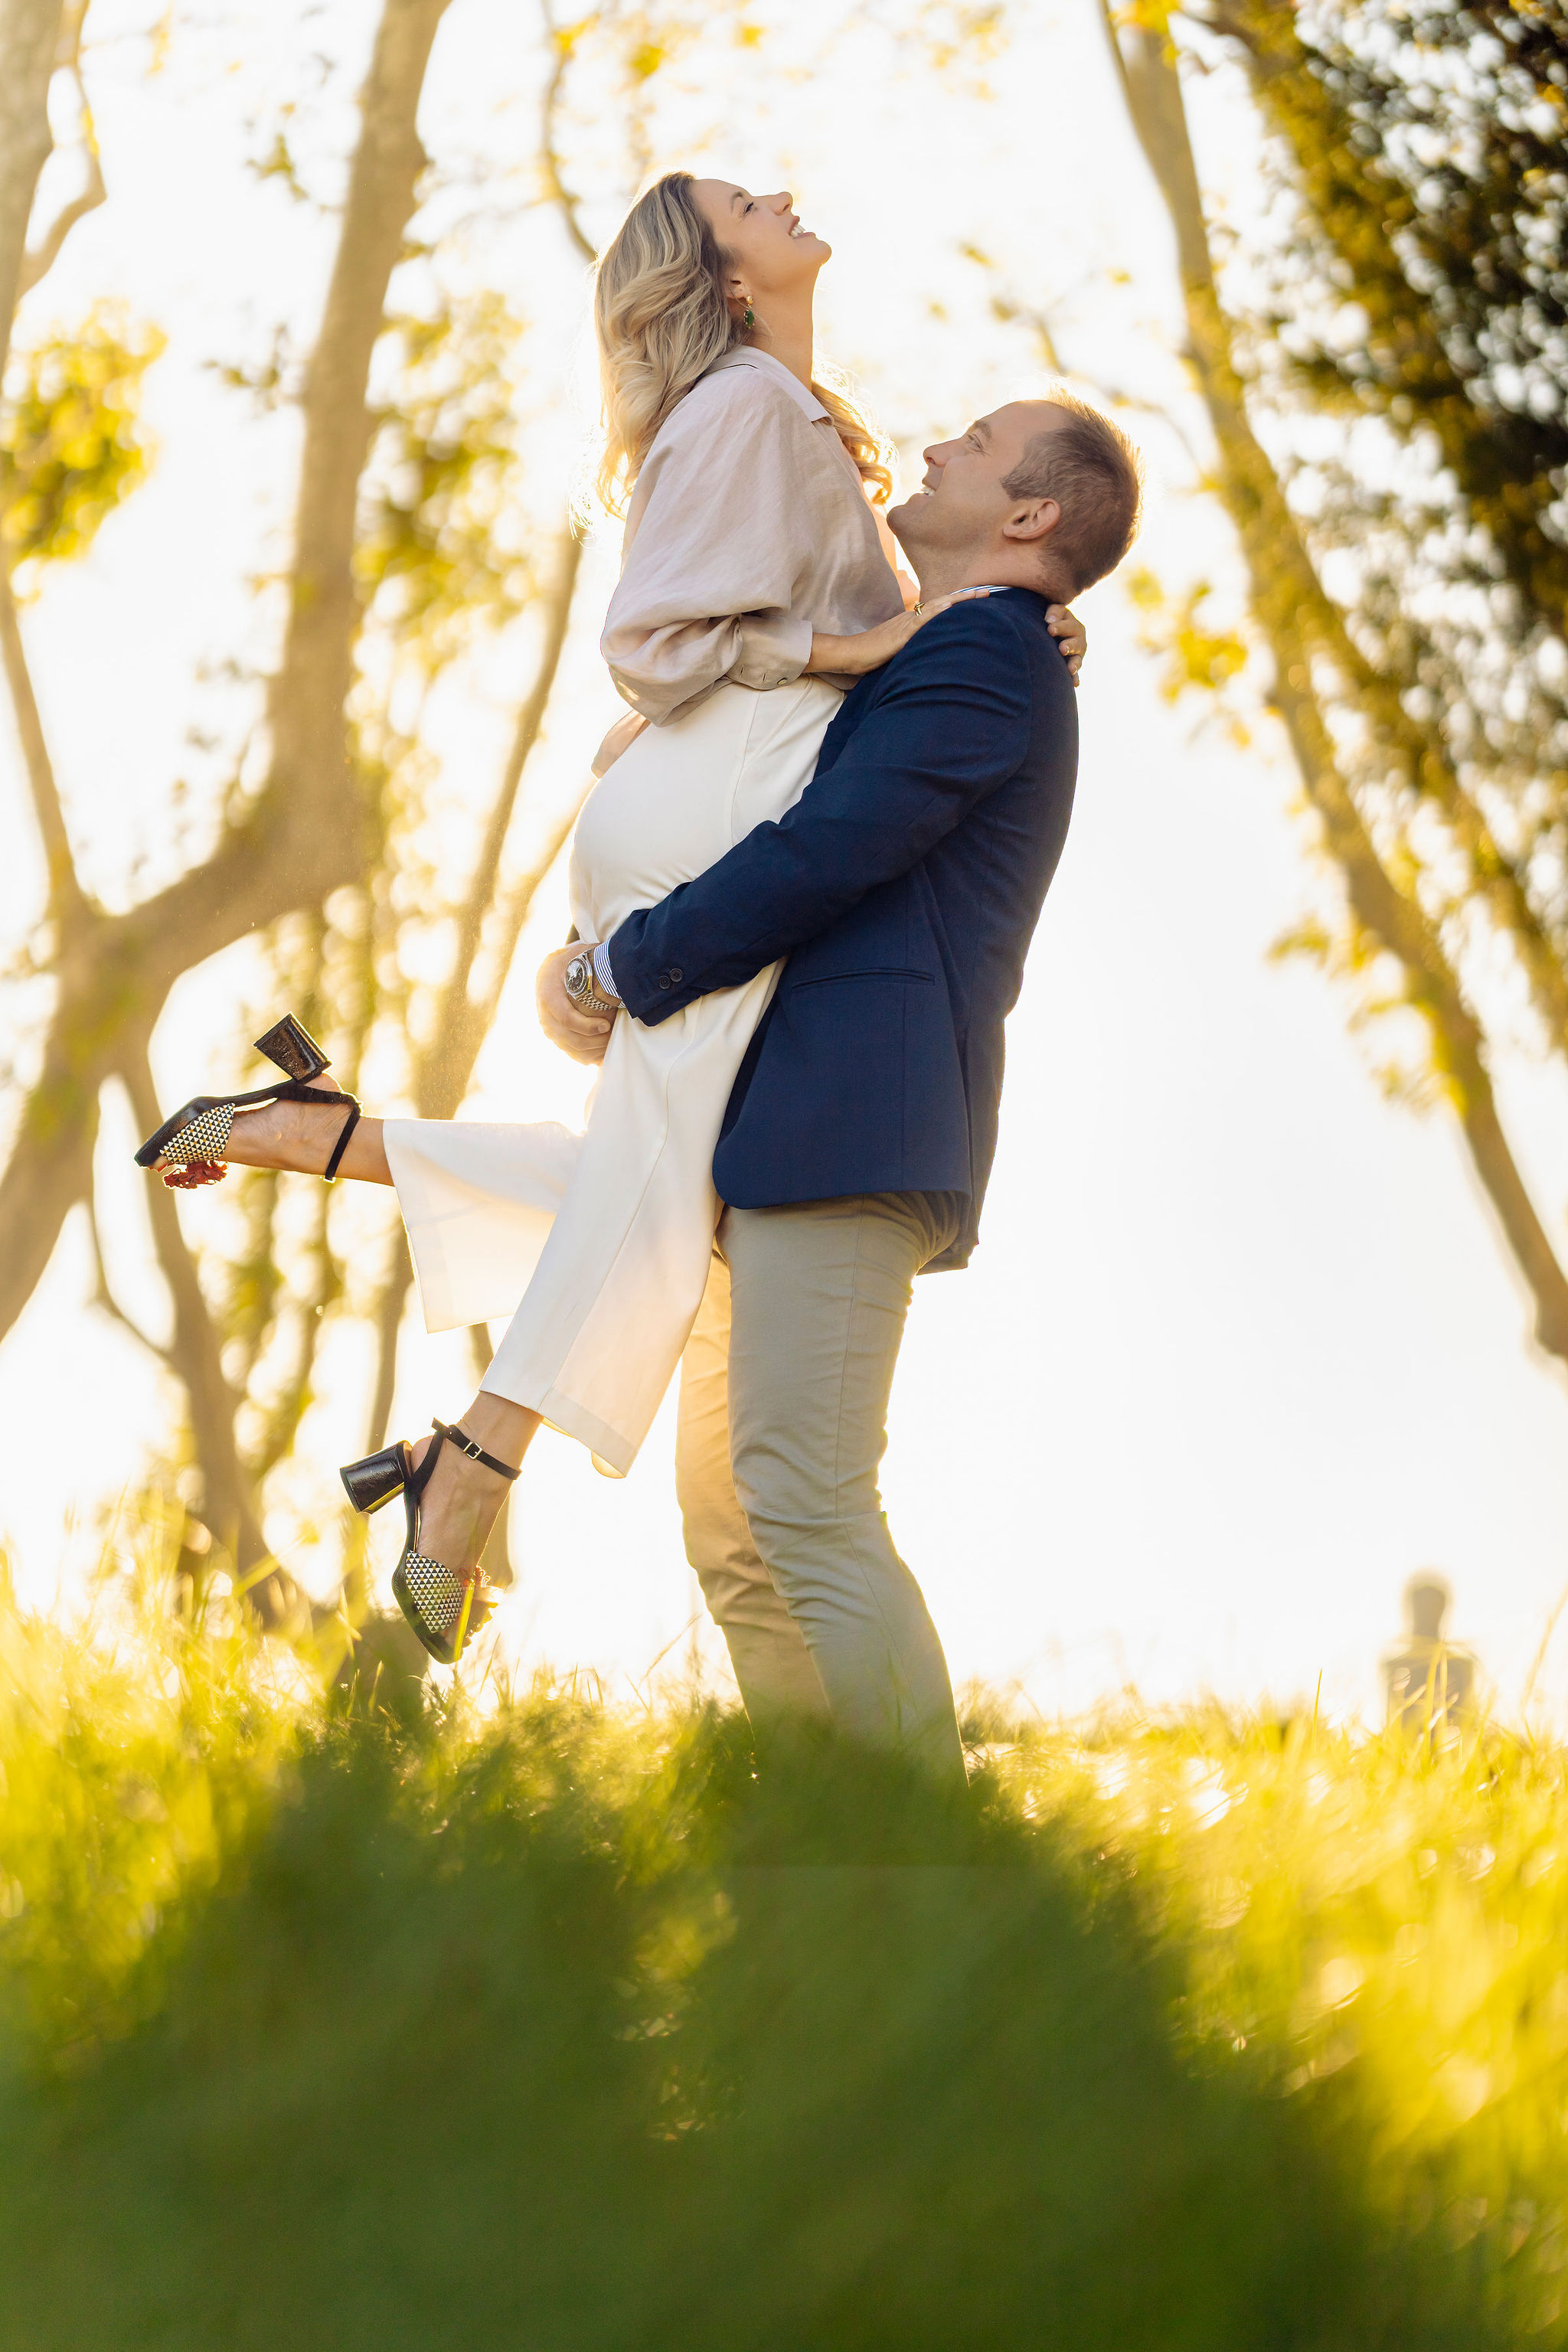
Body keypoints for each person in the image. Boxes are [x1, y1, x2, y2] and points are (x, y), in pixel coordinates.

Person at [134, 172, 1087, 1665]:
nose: (780, 192)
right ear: (723, 280)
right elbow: (652, 641)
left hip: (702, 799)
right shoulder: (750, 404)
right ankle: (471, 1468)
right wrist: (874, 646)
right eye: (742, 201)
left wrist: (987, 615)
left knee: (659, 1177)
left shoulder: (792, 416)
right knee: (657, 1169)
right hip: (724, 808)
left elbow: (846, 632)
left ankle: (330, 1151)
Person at [536, 390, 1143, 1779]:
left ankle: (923, 1853)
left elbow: (825, 850)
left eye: (975, 445)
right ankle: (817, 1832)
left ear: (1030, 515)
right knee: (734, 1526)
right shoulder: (948, 645)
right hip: (771, 1137)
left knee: (806, 1502)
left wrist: (625, 968)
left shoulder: (989, 653)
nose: (935, 447)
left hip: (850, 1129)